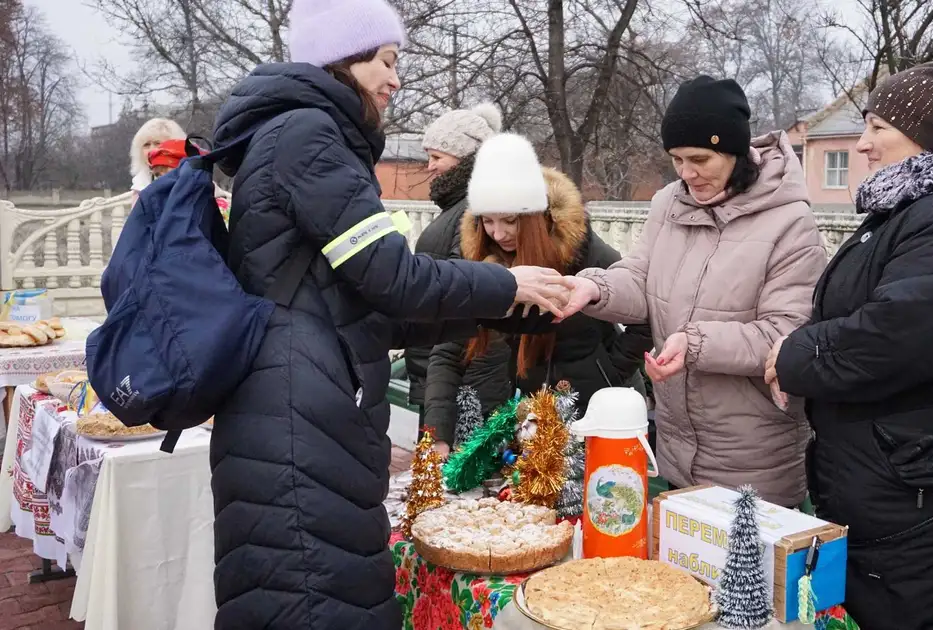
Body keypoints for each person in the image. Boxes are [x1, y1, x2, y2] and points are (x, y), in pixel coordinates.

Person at [207, 1, 571, 628]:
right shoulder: (308, 136)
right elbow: (393, 277)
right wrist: (504, 282)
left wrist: (504, 311)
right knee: (321, 604)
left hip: (299, 410)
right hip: (300, 425)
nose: (395, 78)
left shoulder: (299, 137)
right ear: (341, 60)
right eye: (385, 60)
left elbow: (364, 305)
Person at [763, 62, 933, 629]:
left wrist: (793, 356)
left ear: (928, 135)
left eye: (879, 129)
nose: (863, 144)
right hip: (911, 485)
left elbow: (893, 339)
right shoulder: (915, 211)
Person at [559, 76, 827, 508]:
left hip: (752, 460)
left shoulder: (790, 223)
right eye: (676, 159)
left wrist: (695, 342)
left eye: (699, 158)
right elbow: (641, 277)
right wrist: (595, 287)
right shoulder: (669, 202)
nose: (686, 173)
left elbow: (787, 333)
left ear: (735, 151)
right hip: (675, 449)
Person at [424, 133, 653, 456]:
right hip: (532, 416)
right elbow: (448, 349)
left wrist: (607, 368)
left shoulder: (587, 252)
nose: (498, 234)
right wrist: (437, 434)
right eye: (487, 221)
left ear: (536, 217)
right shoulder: (478, 261)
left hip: (598, 413)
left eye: (510, 221)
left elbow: (645, 315)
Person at [405, 102, 503, 426]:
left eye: (437, 157)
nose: (429, 166)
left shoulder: (474, 211)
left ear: (464, 159)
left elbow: (462, 295)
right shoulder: (458, 207)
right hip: (439, 377)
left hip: (459, 383)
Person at [146, 138, 232, 224]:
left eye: (169, 174)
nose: (161, 181)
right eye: (157, 175)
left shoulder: (217, 207)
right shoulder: (155, 207)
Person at [129, 117, 185, 194]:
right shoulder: (139, 184)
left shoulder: (185, 178)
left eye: (157, 143)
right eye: (146, 145)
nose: (151, 150)